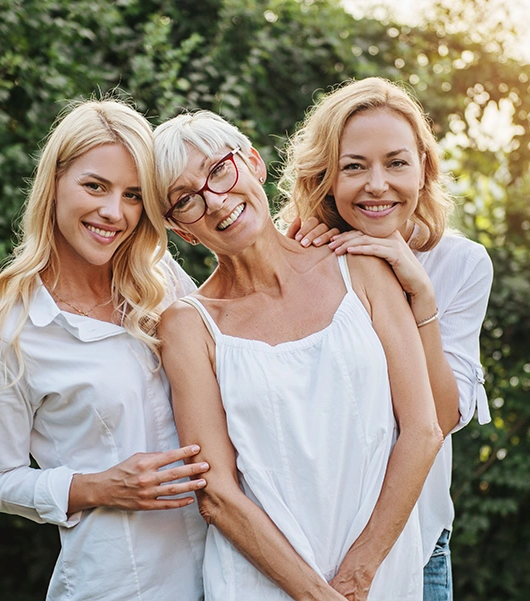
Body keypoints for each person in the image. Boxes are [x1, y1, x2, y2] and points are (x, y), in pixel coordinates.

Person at [152, 110, 443, 601]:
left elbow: (423, 430)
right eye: (186, 200)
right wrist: (316, 595)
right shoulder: (188, 326)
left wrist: (359, 573)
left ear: (253, 162)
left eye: (219, 170)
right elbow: (217, 495)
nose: (216, 201)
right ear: (181, 230)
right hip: (261, 585)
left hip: (381, 576)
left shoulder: (361, 267)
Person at [0, 99, 209, 601]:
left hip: (227, 569)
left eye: (134, 195)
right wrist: (99, 486)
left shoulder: (163, 282)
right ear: (54, 184)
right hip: (121, 584)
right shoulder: (12, 333)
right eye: (95, 186)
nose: (113, 212)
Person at [278, 77, 494, 601]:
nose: (377, 184)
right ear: (325, 176)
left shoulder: (460, 264)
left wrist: (421, 295)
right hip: (306, 546)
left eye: (396, 163)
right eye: (354, 166)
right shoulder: (300, 257)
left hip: (417, 546)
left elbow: (440, 420)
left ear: (424, 166)